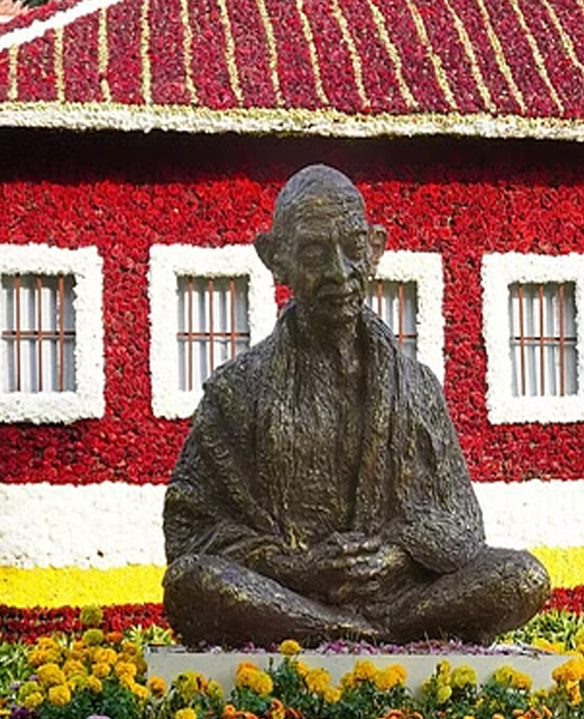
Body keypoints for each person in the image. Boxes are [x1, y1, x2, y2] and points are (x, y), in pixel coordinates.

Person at [162, 165, 551, 648]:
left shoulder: (416, 386)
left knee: (521, 576)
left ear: (376, 248)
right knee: (190, 582)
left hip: (398, 595)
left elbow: (463, 524)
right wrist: (300, 567)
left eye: (352, 249)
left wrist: (397, 556)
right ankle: (346, 630)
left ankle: (351, 630)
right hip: (287, 590)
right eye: (314, 252)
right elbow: (188, 531)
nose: (339, 273)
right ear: (276, 259)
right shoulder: (238, 390)